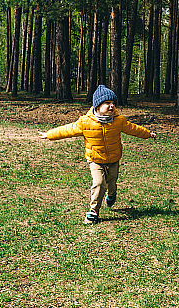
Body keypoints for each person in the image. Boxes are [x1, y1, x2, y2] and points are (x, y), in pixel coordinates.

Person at [38, 84, 156, 225]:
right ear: (98, 106)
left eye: (113, 103)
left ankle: (111, 195)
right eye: (107, 103)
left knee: (111, 183)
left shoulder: (119, 121)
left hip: (113, 159)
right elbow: (67, 130)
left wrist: (148, 134)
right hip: (95, 159)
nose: (111, 106)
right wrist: (49, 135)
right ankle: (93, 212)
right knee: (99, 183)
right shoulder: (85, 122)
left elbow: (134, 129)